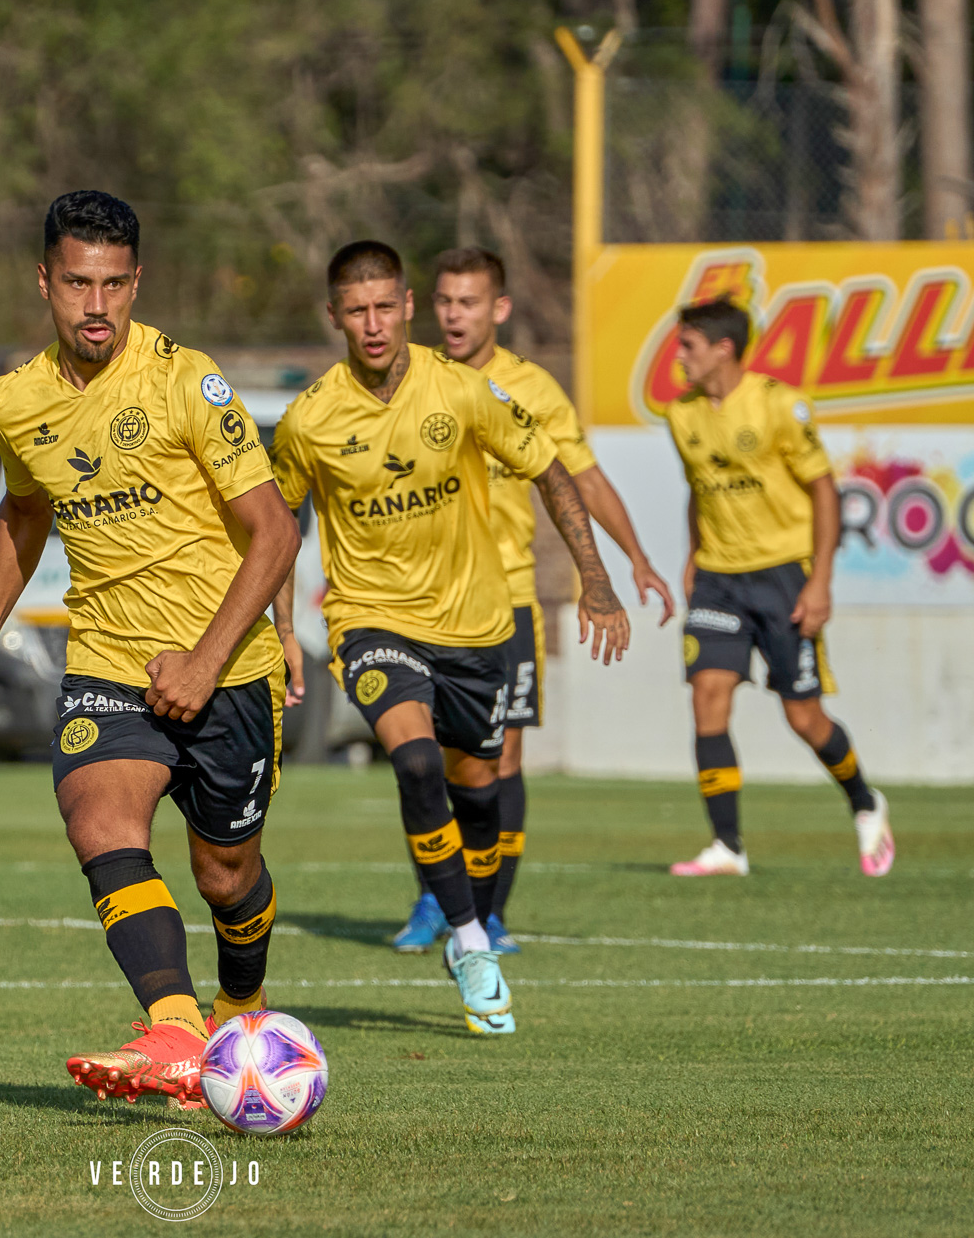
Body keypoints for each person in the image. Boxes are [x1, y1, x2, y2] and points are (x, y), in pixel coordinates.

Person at [0, 190, 299, 1106]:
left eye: (112, 285)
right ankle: (178, 1031)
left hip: (227, 674)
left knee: (228, 877)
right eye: (75, 284)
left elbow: (275, 535)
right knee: (100, 822)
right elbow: (26, 511)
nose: (94, 306)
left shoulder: (189, 382)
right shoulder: (15, 401)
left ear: (137, 283)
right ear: (44, 282)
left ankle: (239, 1004)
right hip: (109, 664)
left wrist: (206, 663)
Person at [269, 240, 630, 1036]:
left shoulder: (465, 391)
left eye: (383, 307)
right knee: (417, 759)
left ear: (406, 307)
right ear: (335, 317)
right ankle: (471, 944)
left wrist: (596, 579)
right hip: (370, 622)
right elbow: (275, 528)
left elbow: (550, 470)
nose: (371, 324)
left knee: (479, 787)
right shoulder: (308, 421)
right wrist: (283, 631)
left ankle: (471, 915)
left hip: (476, 630)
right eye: (354, 310)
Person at [388, 247, 676, 954]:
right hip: (416, 602)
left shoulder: (532, 389)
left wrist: (631, 558)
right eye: (446, 301)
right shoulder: (411, 378)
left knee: (500, 761)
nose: (456, 315)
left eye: (470, 302)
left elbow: (583, 479)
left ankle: (488, 913)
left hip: (504, 600)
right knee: (423, 755)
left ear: (499, 309)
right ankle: (435, 897)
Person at [665, 298, 893, 877]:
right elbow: (701, 485)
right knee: (707, 697)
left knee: (804, 718)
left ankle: (865, 804)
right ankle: (727, 846)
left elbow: (823, 492)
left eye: (687, 345)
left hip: (783, 577)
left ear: (722, 348)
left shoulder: (779, 406)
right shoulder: (682, 414)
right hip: (718, 579)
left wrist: (820, 582)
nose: (678, 356)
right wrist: (693, 554)